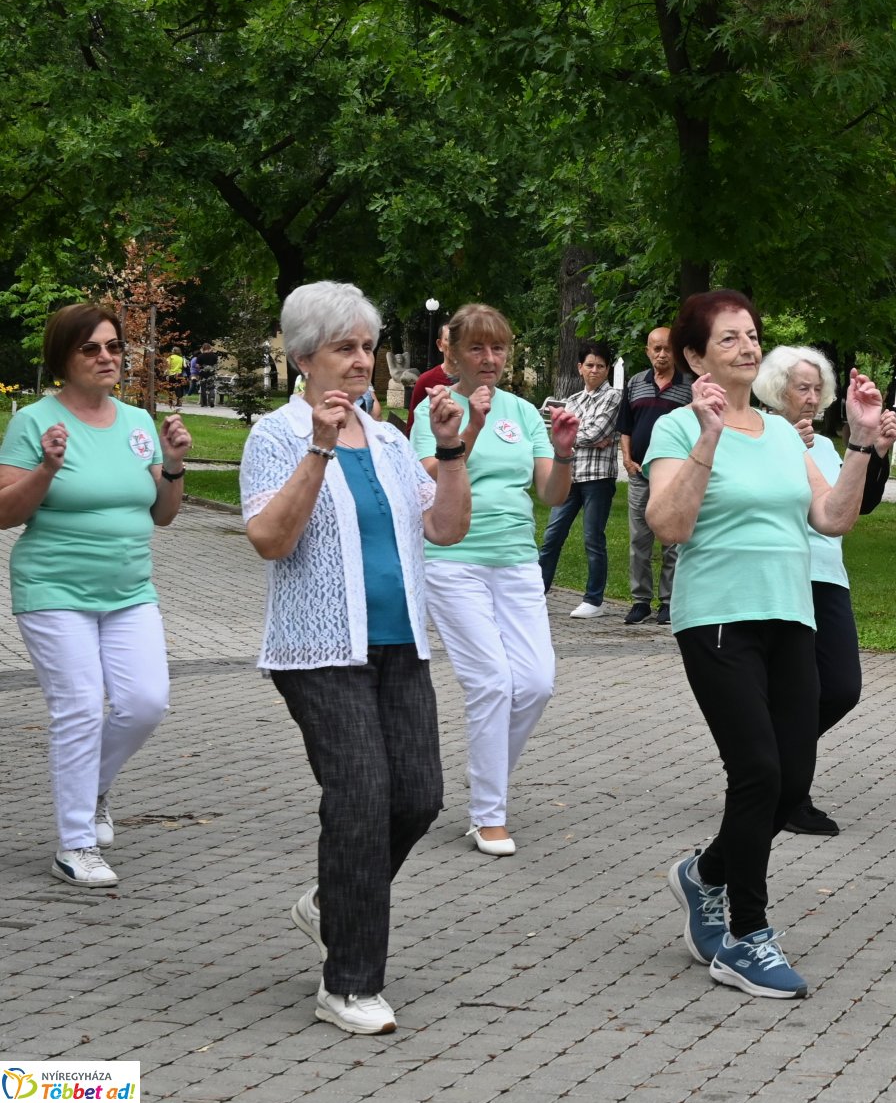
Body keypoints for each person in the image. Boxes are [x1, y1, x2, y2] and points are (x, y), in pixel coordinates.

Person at [239, 280, 472, 1035]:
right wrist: (316, 446)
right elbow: (271, 540)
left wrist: (451, 451)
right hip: (318, 650)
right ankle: (348, 983)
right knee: (363, 797)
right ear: (305, 357)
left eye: (367, 347)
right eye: (345, 347)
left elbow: (445, 530)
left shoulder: (391, 440)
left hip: (401, 643)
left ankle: (333, 902)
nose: (360, 361)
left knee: (420, 796)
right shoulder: (274, 435)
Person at [648, 290, 883, 1000]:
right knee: (755, 770)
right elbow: (669, 524)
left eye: (753, 335)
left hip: (792, 615)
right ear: (697, 357)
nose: (749, 347)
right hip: (718, 617)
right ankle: (746, 936)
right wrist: (709, 439)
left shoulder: (783, 432)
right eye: (730, 339)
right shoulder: (676, 428)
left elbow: (831, 518)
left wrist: (864, 443)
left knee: (787, 781)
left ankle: (706, 874)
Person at [0, 305, 191, 890]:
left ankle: (93, 786)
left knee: (146, 703)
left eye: (113, 347)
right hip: (54, 588)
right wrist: (48, 468)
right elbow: (6, 512)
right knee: (80, 708)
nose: (107, 358)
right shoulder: (34, 421)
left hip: (130, 591)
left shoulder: (137, 421)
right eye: (91, 349)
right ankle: (75, 843)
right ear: (63, 359)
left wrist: (176, 465)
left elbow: (162, 515)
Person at [412, 304, 580, 859]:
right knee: (491, 683)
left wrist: (562, 454)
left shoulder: (524, 411)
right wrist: (470, 426)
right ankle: (489, 813)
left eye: (498, 348)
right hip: (453, 561)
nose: (489, 359)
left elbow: (551, 496)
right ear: (452, 352)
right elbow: (427, 478)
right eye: (477, 348)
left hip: (515, 562)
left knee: (534, 684)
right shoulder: (432, 409)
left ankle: (486, 777)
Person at [753, 346, 896, 836]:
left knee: (840, 687)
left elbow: (854, 506)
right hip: (781, 576)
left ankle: (764, 758)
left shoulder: (826, 446)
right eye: (802, 388)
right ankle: (790, 795)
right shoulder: (756, 433)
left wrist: (875, 453)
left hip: (828, 576)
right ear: (777, 389)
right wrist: (779, 450)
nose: (813, 398)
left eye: (818, 389)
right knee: (799, 690)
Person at [537, 343, 622, 618]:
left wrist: (574, 437)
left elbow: (596, 432)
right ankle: (537, 593)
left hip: (597, 477)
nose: (594, 370)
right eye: (589, 365)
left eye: (600, 366)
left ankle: (593, 600)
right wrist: (580, 437)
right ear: (580, 368)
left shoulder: (613, 397)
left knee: (592, 539)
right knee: (552, 536)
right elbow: (555, 435)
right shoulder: (572, 400)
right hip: (569, 476)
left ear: (607, 369)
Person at [617, 326, 693, 625]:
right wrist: (626, 457)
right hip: (639, 474)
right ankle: (640, 601)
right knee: (640, 539)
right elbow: (625, 425)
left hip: (673, 476)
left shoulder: (689, 386)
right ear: (648, 351)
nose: (662, 354)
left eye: (667, 348)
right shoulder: (636, 383)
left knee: (672, 540)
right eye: (656, 349)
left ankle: (668, 601)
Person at [405, 326, 450, 434]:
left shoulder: (476, 381)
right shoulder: (426, 381)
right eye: (450, 339)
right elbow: (412, 427)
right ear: (440, 345)